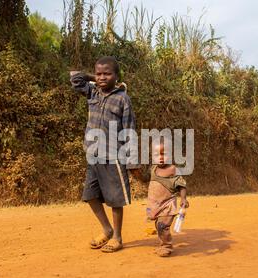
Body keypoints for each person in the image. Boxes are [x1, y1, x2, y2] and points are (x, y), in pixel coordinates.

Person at [70, 56, 141, 253]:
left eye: (107, 74)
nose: (102, 77)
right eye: (99, 74)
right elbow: (75, 78)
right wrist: (95, 78)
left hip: (114, 156)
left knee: (115, 199)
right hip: (94, 154)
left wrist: (132, 160)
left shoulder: (122, 99)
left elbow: (129, 129)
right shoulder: (92, 91)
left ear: (116, 76)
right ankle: (107, 229)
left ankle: (117, 237)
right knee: (90, 195)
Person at [144, 140, 190, 257]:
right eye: (156, 155)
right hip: (156, 205)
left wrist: (183, 199)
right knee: (159, 225)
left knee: (162, 226)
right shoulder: (153, 169)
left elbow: (181, 185)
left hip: (168, 205)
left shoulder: (173, 170)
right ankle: (162, 243)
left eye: (164, 154)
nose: (160, 157)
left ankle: (166, 246)